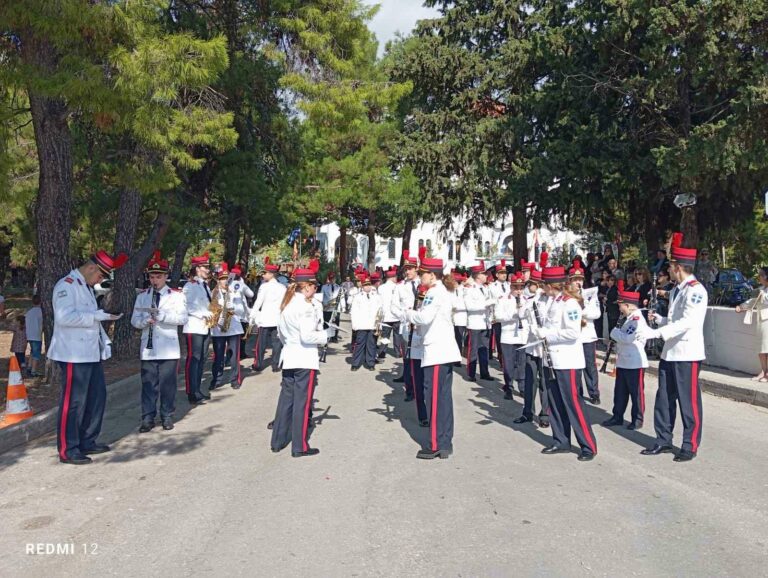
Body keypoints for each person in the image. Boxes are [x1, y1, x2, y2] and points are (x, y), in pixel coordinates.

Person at [48, 250, 125, 465]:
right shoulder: (67, 285)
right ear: (91, 268)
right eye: (100, 275)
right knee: (74, 403)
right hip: (73, 353)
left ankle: (87, 440)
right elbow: (64, 318)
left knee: (96, 397)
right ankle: (68, 448)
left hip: (90, 352)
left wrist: (103, 318)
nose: (99, 280)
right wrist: (96, 316)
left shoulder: (86, 287)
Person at [643, 233, 708, 462]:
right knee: (664, 399)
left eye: (670, 266)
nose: (668, 270)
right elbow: (674, 320)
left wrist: (657, 332)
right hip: (670, 352)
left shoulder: (696, 290)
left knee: (688, 402)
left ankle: (690, 444)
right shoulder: (677, 289)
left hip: (687, 354)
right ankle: (663, 439)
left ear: (678, 267)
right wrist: (660, 320)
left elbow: (688, 322)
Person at [531, 266, 598, 462]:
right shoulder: (554, 301)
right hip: (552, 359)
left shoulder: (570, 304)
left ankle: (588, 445)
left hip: (567, 361)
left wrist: (547, 335)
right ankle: (561, 440)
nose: (542, 288)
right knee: (555, 402)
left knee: (573, 404)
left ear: (551, 285)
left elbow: (572, 333)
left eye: (544, 285)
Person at [404, 255, 461, 459]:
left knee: (435, 399)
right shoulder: (442, 291)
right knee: (443, 399)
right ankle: (444, 442)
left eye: (422, 274)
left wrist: (408, 313)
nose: (420, 277)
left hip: (436, 352)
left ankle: (436, 443)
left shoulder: (434, 292)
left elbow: (424, 317)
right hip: (442, 351)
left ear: (431, 275)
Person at [270, 268, 327, 457]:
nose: (315, 289)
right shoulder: (305, 307)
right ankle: (299, 446)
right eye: (314, 286)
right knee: (302, 403)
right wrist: (325, 335)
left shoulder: (287, 304)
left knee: (286, 401)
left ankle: (277, 441)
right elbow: (308, 336)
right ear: (307, 287)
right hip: (304, 358)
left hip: (289, 356)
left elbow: (280, 334)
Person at [131, 253, 188, 432]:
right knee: (148, 384)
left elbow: (183, 318)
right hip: (148, 349)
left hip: (168, 348)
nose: (154, 280)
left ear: (165, 276)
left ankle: (167, 415)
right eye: (152, 277)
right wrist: (144, 321)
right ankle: (147, 417)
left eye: (158, 277)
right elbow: (134, 320)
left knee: (168, 385)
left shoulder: (176, 296)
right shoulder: (143, 296)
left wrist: (162, 316)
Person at [602, 286, 649, 429]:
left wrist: (614, 333)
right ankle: (617, 416)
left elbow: (628, 338)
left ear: (627, 305)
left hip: (635, 362)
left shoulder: (636, 319)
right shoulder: (627, 318)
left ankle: (637, 420)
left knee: (636, 393)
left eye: (620, 305)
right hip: (623, 361)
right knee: (620, 392)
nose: (619, 308)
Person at [514, 269, 550, 426]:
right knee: (530, 381)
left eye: (532, 284)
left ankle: (545, 415)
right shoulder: (532, 299)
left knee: (545, 382)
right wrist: (528, 299)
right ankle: (527, 412)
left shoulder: (551, 301)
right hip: (532, 346)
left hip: (545, 347)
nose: (530, 287)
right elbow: (521, 314)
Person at [182, 253, 213, 404]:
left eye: (207, 267)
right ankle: (191, 391)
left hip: (205, 327)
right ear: (197, 268)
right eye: (205, 267)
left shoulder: (204, 285)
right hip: (193, 327)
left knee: (202, 359)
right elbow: (186, 306)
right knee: (193, 359)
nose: (208, 270)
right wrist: (203, 314)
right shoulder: (190, 286)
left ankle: (198, 389)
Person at [209, 264, 244, 391]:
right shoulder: (213, 293)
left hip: (233, 328)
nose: (225, 281)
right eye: (222, 279)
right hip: (219, 329)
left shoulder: (235, 292)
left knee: (234, 357)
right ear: (218, 280)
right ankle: (216, 379)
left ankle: (234, 380)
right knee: (218, 356)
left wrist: (233, 307)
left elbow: (241, 310)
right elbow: (210, 310)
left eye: (226, 278)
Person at [569, 264, 601, 404]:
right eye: (575, 279)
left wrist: (583, 309)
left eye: (580, 279)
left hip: (587, 335)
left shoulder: (590, 295)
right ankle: (578, 392)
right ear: (570, 281)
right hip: (573, 337)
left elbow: (597, 313)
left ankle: (594, 392)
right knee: (576, 366)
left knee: (590, 365)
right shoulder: (567, 296)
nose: (578, 282)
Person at [250, 258, 286, 373]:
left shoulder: (264, 286)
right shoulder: (282, 287)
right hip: (277, 319)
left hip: (265, 319)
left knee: (261, 343)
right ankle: (276, 365)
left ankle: (258, 364)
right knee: (277, 343)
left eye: (265, 273)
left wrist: (252, 315)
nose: (263, 275)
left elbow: (258, 302)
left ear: (271, 274)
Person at [495, 273, 528, 400]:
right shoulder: (502, 299)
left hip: (523, 336)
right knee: (508, 364)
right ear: (511, 287)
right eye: (516, 287)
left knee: (522, 363)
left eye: (521, 287)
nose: (518, 290)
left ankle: (522, 387)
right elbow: (498, 316)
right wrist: (514, 314)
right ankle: (508, 387)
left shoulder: (527, 300)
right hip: (508, 336)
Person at [390, 250, 420, 388]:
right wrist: (405, 316)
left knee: (419, 358)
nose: (407, 272)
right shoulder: (400, 287)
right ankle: (409, 388)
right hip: (406, 326)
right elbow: (394, 307)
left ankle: (418, 385)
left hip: (421, 326)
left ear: (416, 268)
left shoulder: (423, 284)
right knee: (407, 357)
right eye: (406, 269)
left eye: (410, 269)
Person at [735, 266, 768, 382]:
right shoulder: (761, 289)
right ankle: (763, 371)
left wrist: (763, 295)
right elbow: (752, 301)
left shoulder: (763, 291)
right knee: (761, 348)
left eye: (761, 275)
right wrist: (741, 306)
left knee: (767, 347)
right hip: (761, 320)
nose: (759, 277)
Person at [464, 262, 494, 382]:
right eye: (484, 274)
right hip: (475, 323)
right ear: (478, 275)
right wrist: (486, 304)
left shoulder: (485, 288)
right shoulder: (469, 289)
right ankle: (471, 373)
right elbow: (469, 306)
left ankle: (484, 372)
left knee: (484, 349)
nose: (486, 276)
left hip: (485, 322)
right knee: (473, 349)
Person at [350, 274, 381, 371]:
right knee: (359, 344)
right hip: (361, 324)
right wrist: (354, 325)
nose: (367, 287)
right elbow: (354, 311)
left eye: (369, 285)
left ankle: (370, 363)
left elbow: (380, 311)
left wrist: (379, 325)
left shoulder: (376, 296)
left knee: (371, 345)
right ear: (362, 286)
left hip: (373, 324)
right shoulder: (357, 297)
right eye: (365, 285)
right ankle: (355, 363)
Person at [229, 264, 253, 360]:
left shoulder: (226, 283)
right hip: (241, 314)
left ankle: (231, 355)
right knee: (242, 336)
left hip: (229, 314)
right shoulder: (241, 284)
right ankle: (240, 354)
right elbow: (251, 294)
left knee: (230, 337)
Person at [376, 267, 400, 359]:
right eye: (396, 277)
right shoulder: (397, 287)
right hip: (396, 316)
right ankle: (397, 352)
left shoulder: (381, 288)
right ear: (393, 277)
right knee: (397, 335)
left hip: (385, 316)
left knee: (385, 336)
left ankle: (382, 352)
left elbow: (379, 302)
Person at [489, 260, 509, 361]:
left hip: (508, 316)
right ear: (497, 275)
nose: (504, 275)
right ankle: (501, 359)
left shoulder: (509, 285)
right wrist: (492, 316)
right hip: (498, 316)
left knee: (507, 339)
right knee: (499, 338)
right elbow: (491, 302)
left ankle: (505, 359)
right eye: (502, 273)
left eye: (505, 273)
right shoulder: (492, 286)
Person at [451, 270, 468, 367]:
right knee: (454, 339)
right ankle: (454, 357)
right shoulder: (451, 291)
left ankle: (458, 358)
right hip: (452, 319)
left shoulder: (464, 290)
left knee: (459, 338)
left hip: (461, 318)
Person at [25, 295, 43, 377]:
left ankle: (29, 367)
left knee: (32, 352)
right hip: (36, 336)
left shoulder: (29, 312)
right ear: (41, 302)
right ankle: (33, 371)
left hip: (29, 335)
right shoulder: (41, 312)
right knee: (36, 354)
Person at [321, 272, 341, 342]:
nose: (332, 280)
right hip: (327, 308)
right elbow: (322, 297)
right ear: (329, 279)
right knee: (326, 322)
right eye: (331, 278)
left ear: (335, 279)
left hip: (336, 308)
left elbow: (341, 298)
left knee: (335, 323)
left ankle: (334, 337)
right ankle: (326, 336)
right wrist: (324, 304)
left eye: (333, 278)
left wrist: (343, 308)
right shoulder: (324, 287)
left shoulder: (338, 287)